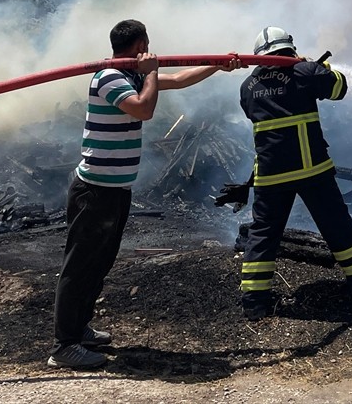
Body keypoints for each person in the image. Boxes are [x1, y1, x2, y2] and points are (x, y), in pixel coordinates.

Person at [49, 19, 239, 369]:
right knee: (79, 265)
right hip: (94, 191)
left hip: (116, 189)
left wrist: (218, 65)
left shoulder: (131, 76)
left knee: (100, 263)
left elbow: (178, 79)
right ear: (140, 46)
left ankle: (80, 328)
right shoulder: (109, 77)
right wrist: (150, 72)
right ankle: (64, 346)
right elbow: (143, 109)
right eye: (147, 45)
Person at [233, 26, 352, 321]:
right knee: (336, 225)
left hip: (270, 174)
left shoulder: (248, 86)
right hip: (311, 169)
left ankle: (254, 301)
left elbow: (251, 111)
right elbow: (339, 88)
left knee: (263, 233)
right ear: (289, 48)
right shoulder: (304, 71)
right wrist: (322, 68)